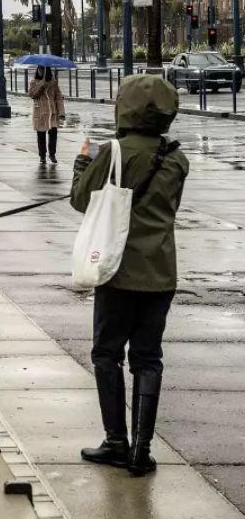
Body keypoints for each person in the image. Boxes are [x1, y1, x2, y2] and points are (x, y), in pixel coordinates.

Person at [72, 74, 188, 477]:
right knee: (148, 358)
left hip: (117, 270)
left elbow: (80, 200)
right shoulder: (176, 157)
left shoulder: (115, 151)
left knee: (107, 353)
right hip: (161, 272)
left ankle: (116, 441)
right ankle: (142, 448)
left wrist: (83, 162)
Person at [28, 65, 66, 164]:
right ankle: (42, 156)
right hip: (39, 113)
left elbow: (58, 97)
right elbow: (32, 95)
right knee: (41, 135)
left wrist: (61, 112)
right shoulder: (34, 82)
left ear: (46, 70)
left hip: (52, 113)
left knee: (53, 134)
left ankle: (52, 154)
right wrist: (41, 84)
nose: (40, 71)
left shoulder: (53, 82)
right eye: (39, 69)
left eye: (42, 69)